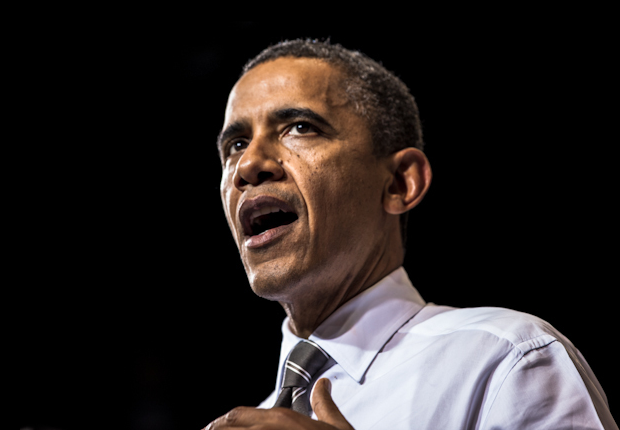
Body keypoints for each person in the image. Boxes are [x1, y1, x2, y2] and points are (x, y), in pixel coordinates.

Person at [202, 40, 615, 430]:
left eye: (300, 127)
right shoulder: (253, 418)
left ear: (400, 183)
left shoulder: (506, 361)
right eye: (236, 144)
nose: (249, 164)